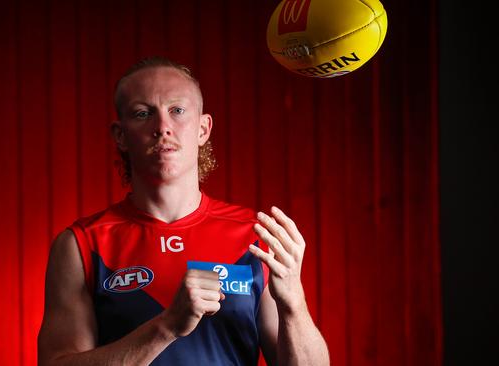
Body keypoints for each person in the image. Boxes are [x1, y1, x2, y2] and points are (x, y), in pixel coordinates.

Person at [37, 56, 330, 366]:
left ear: (203, 128)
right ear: (120, 136)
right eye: (143, 113)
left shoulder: (256, 238)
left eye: (176, 111)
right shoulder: (82, 245)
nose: (163, 127)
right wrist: (167, 327)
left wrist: (294, 304)